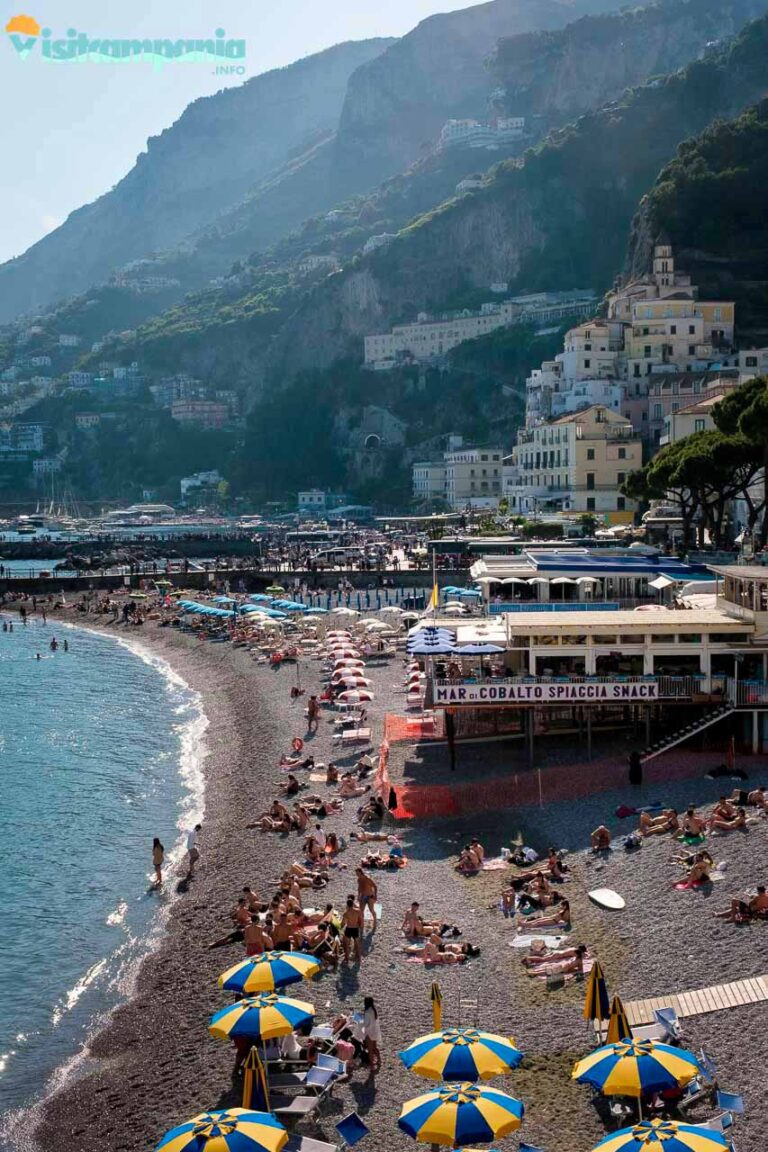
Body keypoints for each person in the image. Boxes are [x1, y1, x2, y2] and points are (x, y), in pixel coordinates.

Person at [341, 896, 364, 963]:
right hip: (355, 929)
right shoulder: (358, 911)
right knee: (357, 944)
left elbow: (343, 923)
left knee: (347, 945)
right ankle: (359, 959)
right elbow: (361, 919)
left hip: (349, 929)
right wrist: (361, 926)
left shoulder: (346, 913)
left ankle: (347, 959)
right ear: (353, 903)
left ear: (347, 905)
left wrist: (340, 928)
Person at [362, 996, 381, 1072]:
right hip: (375, 1031)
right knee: (374, 1047)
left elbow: (366, 1024)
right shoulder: (373, 1010)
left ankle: (372, 1065)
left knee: (370, 1050)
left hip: (369, 1033)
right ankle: (379, 1060)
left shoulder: (367, 1011)